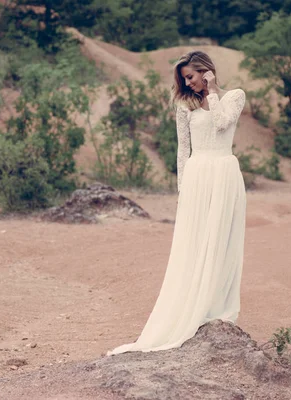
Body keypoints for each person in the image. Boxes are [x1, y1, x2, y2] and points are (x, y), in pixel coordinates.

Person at [106, 50, 247, 355]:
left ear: (206, 71)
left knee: (222, 240)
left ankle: (216, 309)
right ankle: (190, 310)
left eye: (192, 76)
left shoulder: (234, 96)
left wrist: (211, 91)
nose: (188, 83)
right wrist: (183, 191)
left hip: (224, 172)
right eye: (185, 79)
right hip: (197, 176)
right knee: (194, 243)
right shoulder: (184, 106)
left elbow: (222, 124)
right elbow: (183, 150)